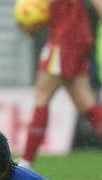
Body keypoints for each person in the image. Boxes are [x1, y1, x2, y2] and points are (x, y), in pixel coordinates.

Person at [19, 0, 102, 169]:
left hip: (64, 40)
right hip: (78, 39)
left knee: (42, 96)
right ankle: (26, 161)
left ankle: (26, 162)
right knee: (86, 103)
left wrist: (31, 19)